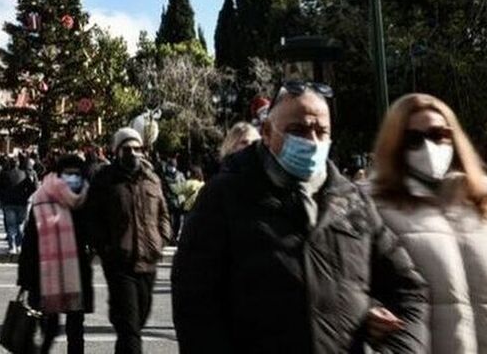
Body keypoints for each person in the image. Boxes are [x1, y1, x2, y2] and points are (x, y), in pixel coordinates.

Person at [172, 81, 428, 353]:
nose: (311, 141)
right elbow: (195, 305)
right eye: (298, 130)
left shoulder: (354, 202)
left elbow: (409, 291)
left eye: (321, 131)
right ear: (268, 133)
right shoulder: (224, 197)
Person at [372, 93, 487, 353]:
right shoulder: (374, 205)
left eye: (438, 134)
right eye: (413, 139)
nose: (429, 146)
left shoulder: (480, 199)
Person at [85, 128, 172, 354]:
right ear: (116, 151)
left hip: (148, 261)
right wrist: (105, 248)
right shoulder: (105, 180)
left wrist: (161, 240)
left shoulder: (151, 178)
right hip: (119, 263)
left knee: (137, 321)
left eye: (137, 148)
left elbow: (163, 213)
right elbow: (92, 218)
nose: (132, 153)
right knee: (130, 328)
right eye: (127, 149)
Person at [18, 154, 93, 354]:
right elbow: (30, 241)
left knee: (76, 329)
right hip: (45, 274)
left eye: (76, 174)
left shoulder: (85, 200)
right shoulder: (42, 198)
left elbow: (94, 233)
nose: (72, 178)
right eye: (68, 174)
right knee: (48, 329)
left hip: (75, 273)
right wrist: (25, 278)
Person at [0, 156, 34, 255]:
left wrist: (1, 199)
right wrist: (27, 197)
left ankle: (12, 245)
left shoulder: (4, 174)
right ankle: (18, 244)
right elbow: (32, 187)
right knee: (20, 225)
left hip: (8, 203)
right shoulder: (25, 174)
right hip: (21, 202)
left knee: (11, 226)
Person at [160, 156, 185, 244]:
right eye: (171, 166)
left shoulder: (180, 174)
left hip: (179, 201)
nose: (172, 168)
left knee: (178, 221)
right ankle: (171, 237)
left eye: (173, 166)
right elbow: (163, 189)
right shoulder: (165, 176)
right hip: (169, 201)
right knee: (170, 220)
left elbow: (183, 186)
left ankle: (174, 236)